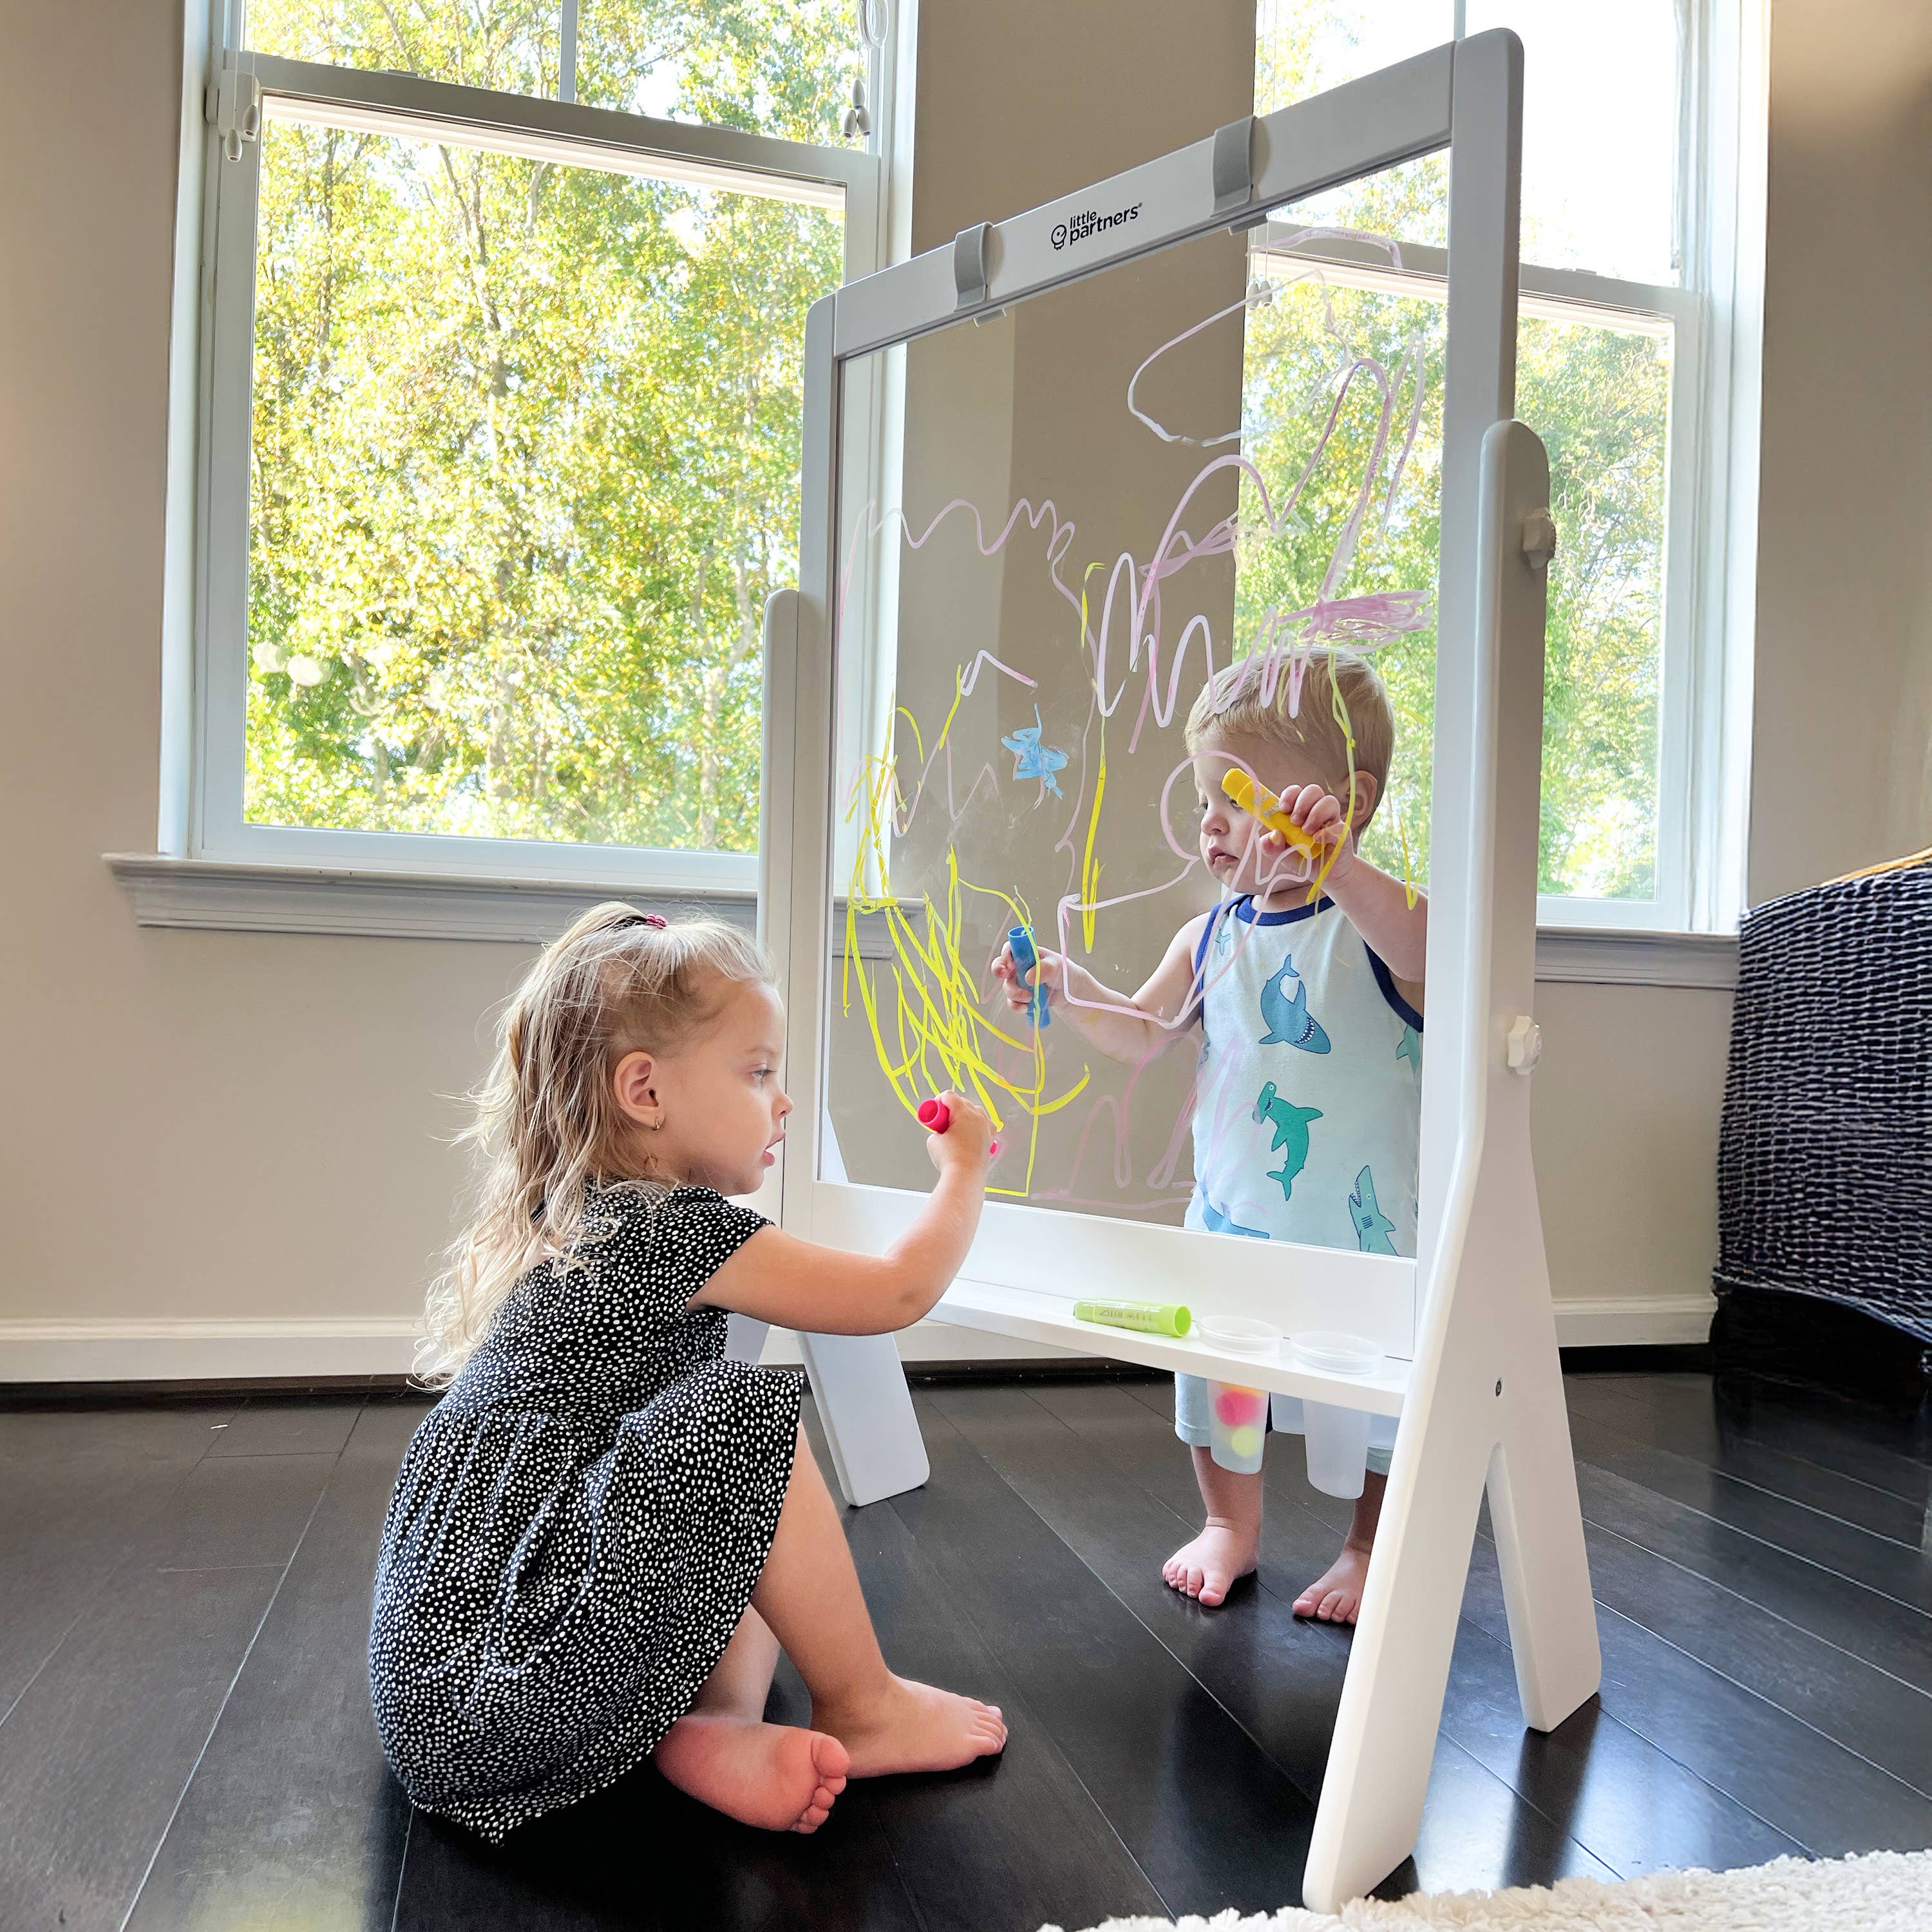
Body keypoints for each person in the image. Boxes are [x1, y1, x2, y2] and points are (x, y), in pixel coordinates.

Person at [370, 907, 1005, 1842]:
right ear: (645, 1091)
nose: (782, 1103)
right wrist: (964, 1173)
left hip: (442, 1700)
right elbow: (897, 1291)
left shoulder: (580, 1219)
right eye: (757, 1073)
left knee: (724, 1486)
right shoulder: (675, 1230)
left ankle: (712, 1725)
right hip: (505, 1693)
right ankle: (865, 1708)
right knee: (741, 1420)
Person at [992, 648, 1425, 1621]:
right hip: (1231, 1218)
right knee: (1222, 1380)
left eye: (1239, 796)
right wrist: (1068, 988)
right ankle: (1230, 1522)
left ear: (1349, 802)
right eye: (1204, 802)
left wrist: (1342, 867)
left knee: (1370, 1400)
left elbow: (1431, 951)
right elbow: (1143, 1030)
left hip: (1361, 1232)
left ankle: (1369, 1545)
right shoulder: (1212, 934)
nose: (1213, 824)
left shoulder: (1379, 925)